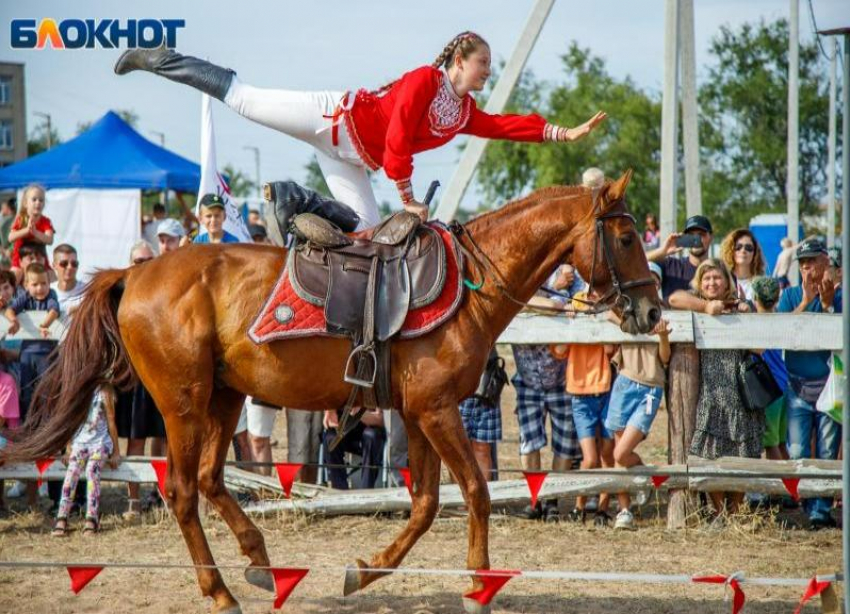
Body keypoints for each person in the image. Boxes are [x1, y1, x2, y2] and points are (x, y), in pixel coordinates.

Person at [115, 32, 606, 231]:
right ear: (459, 60)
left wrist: (563, 133)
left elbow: (503, 125)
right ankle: (159, 59)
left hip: (349, 159)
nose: (487, 73)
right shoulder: (423, 80)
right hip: (331, 118)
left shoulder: (462, 111)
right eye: (482, 64)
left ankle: (302, 205)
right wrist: (407, 195)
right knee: (244, 98)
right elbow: (396, 140)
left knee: (368, 236)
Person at [670, 259, 759, 521]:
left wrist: (743, 311)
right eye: (706, 278)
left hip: (739, 391)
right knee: (711, 454)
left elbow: (759, 345)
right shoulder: (697, 306)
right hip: (711, 391)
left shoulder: (742, 305)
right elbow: (674, 298)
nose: (712, 283)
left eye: (717, 278)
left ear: (727, 281)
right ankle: (719, 513)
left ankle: (735, 513)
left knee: (742, 455)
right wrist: (707, 307)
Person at [777, 238, 841, 529]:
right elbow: (783, 332)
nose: (807, 269)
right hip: (797, 386)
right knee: (799, 450)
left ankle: (821, 510)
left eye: (812, 261)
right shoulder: (789, 296)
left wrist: (827, 306)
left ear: (825, 262)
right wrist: (805, 301)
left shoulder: (839, 296)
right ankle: (806, 501)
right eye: (802, 264)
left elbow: (840, 335)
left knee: (828, 449)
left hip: (829, 386)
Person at [512, 264, 584, 522]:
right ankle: (534, 499)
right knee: (529, 442)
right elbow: (517, 301)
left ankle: (552, 499)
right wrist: (553, 299)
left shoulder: (572, 277)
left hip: (561, 377)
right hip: (527, 377)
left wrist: (543, 302)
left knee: (564, 443)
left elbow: (581, 301)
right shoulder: (524, 274)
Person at [605, 308, 672, 530]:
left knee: (621, 453)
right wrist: (625, 322)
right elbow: (608, 314)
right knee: (618, 451)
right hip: (624, 382)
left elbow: (665, 358)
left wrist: (662, 335)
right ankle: (624, 511)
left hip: (651, 388)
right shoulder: (626, 310)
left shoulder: (660, 314)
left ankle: (644, 476)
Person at [557, 289, 616, 526]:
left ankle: (602, 508)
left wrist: (601, 318)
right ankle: (579, 506)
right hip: (580, 393)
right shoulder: (576, 302)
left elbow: (611, 350)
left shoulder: (606, 304)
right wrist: (570, 323)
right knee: (590, 458)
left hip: (605, 389)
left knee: (607, 454)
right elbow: (560, 350)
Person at [117, 241, 168, 518]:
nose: (144, 264)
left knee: (167, 440)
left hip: (161, 378)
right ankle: (133, 501)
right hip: (134, 379)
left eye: (149, 259)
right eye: (138, 261)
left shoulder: (165, 291)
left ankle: (165, 496)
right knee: (136, 442)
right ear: (130, 262)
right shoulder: (120, 292)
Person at [52, 384, 120, 536]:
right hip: (80, 443)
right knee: (72, 473)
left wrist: (116, 451)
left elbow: (111, 421)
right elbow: (69, 420)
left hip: (99, 443)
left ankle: (92, 517)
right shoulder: (76, 389)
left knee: (92, 470)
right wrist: (68, 447)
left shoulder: (104, 391)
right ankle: (62, 516)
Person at [750, 276, 789, 462]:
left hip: (768, 387)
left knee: (770, 444)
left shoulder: (754, 322)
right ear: (776, 298)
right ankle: (792, 487)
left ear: (755, 298)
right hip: (783, 384)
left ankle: (782, 489)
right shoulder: (781, 320)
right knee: (781, 443)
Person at [647, 215, 713, 303]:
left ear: (711, 237)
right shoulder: (669, 265)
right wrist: (662, 251)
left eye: (701, 234)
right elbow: (634, 263)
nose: (696, 239)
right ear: (684, 237)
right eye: (691, 235)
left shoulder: (719, 271)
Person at [322, 408, 386, 489]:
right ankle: (339, 489)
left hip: (368, 431)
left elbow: (381, 420)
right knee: (330, 439)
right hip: (343, 430)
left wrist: (359, 412)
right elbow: (328, 421)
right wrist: (330, 413)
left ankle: (366, 490)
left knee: (371, 436)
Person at [8, 185, 55, 282]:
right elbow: (11, 237)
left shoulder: (45, 221)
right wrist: (27, 230)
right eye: (34, 199)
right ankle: (10, 297)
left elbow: (50, 240)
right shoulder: (21, 219)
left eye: (41, 200)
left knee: (53, 277)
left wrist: (35, 232)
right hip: (20, 260)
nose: (38, 202)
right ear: (26, 203)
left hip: (40, 258)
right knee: (14, 276)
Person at [719, 228, 765, 302]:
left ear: (755, 253)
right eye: (738, 247)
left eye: (748, 248)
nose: (743, 250)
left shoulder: (762, 284)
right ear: (730, 250)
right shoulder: (721, 282)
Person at [51, 244, 85, 326]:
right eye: (64, 263)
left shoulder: (88, 291)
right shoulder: (47, 290)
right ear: (54, 266)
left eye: (74, 264)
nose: (70, 267)